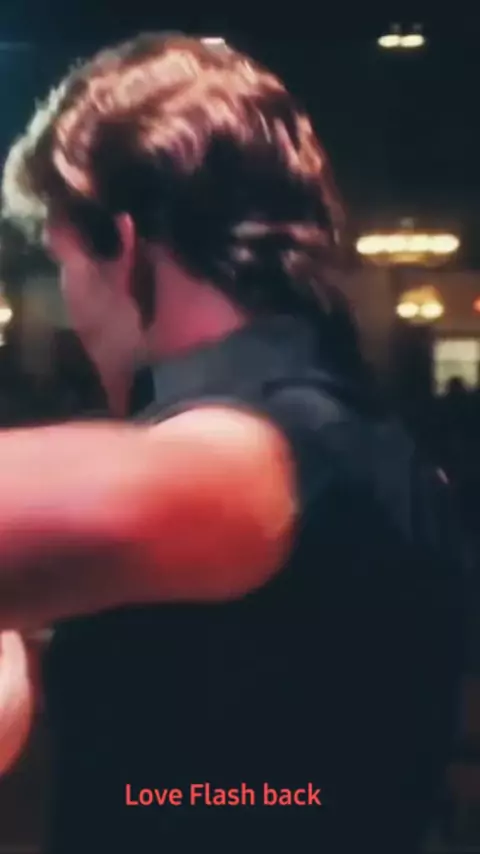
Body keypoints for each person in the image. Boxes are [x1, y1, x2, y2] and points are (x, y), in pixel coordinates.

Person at [0, 33, 464, 853]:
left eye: (65, 263)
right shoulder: (362, 437)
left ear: (124, 245)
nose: (71, 309)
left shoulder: (273, 450)